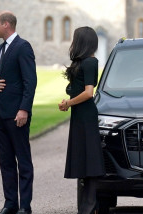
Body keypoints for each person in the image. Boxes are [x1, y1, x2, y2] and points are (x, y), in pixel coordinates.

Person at [0, 11, 37, 214]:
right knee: (6, 161)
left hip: (17, 114)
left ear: (6, 24)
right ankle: (10, 204)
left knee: (23, 161)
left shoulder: (23, 47)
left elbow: (30, 81)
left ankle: (25, 206)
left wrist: (24, 109)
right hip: (0, 114)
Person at [58, 26, 105, 214]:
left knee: (90, 160)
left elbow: (88, 92)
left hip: (86, 115)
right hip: (79, 115)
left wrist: (69, 102)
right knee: (83, 158)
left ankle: (89, 205)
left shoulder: (90, 62)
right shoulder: (82, 62)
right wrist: (68, 101)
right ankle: (85, 205)